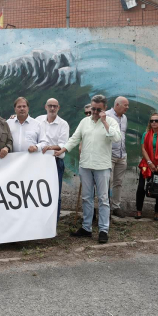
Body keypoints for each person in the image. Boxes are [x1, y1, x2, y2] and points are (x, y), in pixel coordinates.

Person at [57, 95, 122, 244]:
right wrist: (63, 150)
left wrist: (104, 121)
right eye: (93, 108)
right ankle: (86, 228)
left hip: (102, 166)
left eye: (98, 109)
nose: (95, 112)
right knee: (87, 198)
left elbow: (116, 138)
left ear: (104, 109)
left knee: (103, 199)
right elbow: (75, 138)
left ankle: (103, 230)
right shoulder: (84, 121)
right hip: (85, 165)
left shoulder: (111, 121)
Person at [35, 98, 70, 220]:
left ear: (58, 108)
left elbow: (63, 144)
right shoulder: (38, 120)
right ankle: (39, 219)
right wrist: (14, 118)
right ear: (45, 107)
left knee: (55, 193)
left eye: (55, 106)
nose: (52, 108)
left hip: (55, 162)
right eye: (50, 105)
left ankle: (53, 222)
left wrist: (49, 148)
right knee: (38, 192)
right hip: (39, 162)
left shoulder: (63, 124)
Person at [136, 113, 158, 220]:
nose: (154, 123)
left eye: (156, 120)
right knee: (141, 187)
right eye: (152, 121)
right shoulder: (145, 134)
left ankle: (157, 212)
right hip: (147, 164)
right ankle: (139, 210)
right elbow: (143, 149)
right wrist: (150, 163)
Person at [106, 96, 129, 218]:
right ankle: (105, 208)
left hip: (122, 155)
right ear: (117, 105)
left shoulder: (124, 118)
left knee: (118, 182)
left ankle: (116, 206)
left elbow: (122, 135)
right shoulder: (106, 116)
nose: (127, 107)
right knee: (106, 182)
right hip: (109, 155)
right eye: (125, 105)